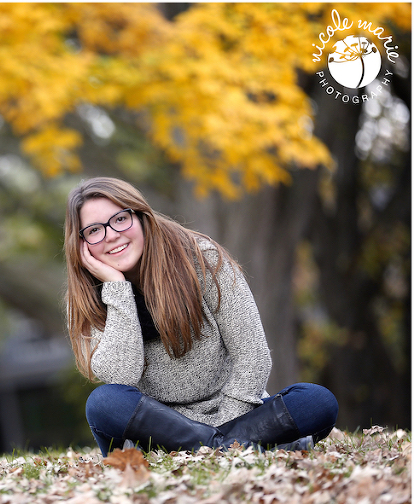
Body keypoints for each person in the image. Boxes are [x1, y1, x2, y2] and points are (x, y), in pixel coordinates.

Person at [63, 177, 338, 456]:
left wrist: (221, 433)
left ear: (141, 216)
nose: (111, 235)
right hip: (160, 429)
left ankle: (213, 450)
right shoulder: (89, 297)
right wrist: (117, 288)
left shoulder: (200, 259)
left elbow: (252, 354)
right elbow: (120, 376)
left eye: (120, 219)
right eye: (95, 230)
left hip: (237, 416)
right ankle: (250, 449)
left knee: (316, 401)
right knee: (104, 403)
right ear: (82, 243)